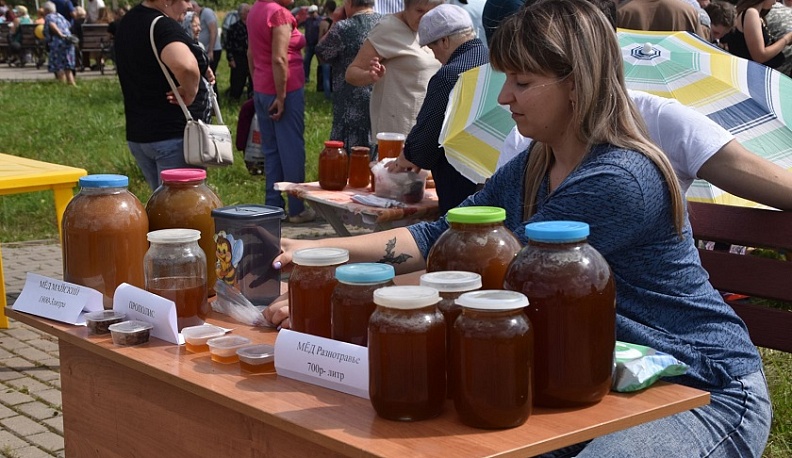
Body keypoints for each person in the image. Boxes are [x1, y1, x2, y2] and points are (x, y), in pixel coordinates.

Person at [268, 1, 773, 456]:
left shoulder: (620, 178)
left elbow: (493, 278)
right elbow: (439, 236)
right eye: (506, 78)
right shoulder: (537, 160)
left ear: (578, 82)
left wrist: (333, 294)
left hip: (701, 386)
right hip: (592, 376)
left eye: (523, 82)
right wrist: (316, 252)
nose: (505, 96)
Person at [388, 4, 488, 215]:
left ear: (444, 40)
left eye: (432, 48)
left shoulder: (449, 75)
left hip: (461, 180)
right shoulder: (494, 61)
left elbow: (427, 134)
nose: (434, 56)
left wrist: (407, 157)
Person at [114, 0, 214, 190]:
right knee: (180, 211)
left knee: (160, 207)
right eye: (185, 0)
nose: (190, 6)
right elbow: (185, 65)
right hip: (171, 134)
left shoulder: (129, 21)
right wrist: (190, 92)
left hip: (139, 133)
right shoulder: (162, 25)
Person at [247, 0, 315, 223]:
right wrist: (281, 95)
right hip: (284, 89)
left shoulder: (256, 9)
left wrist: (258, 82)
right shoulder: (279, 14)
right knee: (292, 150)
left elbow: (251, 54)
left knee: (271, 150)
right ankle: (297, 209)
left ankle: (273, 207)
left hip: (261, 87)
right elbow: (279, 58)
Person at [346, 0, 443, 147]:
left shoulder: (436, 29)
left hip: (427, 126)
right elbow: (352, 73)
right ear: (406, 6)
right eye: (419, 11)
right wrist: (370, 76)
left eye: (430, 12)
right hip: (397, 132)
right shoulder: (388, 28)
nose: (424, 17)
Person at [316, 0, 382, 151]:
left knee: (349, 158)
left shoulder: (343, 27)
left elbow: (322, 52)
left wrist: (335, 20)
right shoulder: (385, 24)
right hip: (380, 100)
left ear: (350, 2)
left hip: (349, 104)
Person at [720, 0, 792, 68]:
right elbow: (760, 56)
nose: (775, 1)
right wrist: (786, 39)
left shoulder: (756, 14)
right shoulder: (751, 13)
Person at [617, 0, 709, 40]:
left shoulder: (622, 12)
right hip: (678, 76)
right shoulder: (688, 12)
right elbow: (701, 50)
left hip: (632, 76)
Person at [42, 1, 77, 85]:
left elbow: (52, 24)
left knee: (58, 65)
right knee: (67, 66)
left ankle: (61, 84)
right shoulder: (60, 16)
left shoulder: (49, 16)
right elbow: (68, 26)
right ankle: (71, 83)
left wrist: (60, 34)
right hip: (68, 41)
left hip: (57, 43)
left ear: (47, 10)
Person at [189, 0, 221, 91]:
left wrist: (210, 50)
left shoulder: (207, 13)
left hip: (213, 49)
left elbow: (213, 31)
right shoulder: (200, 14)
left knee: (210, 75)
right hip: (205, 49)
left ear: (194, 7)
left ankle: (213, 96)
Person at [225, 3, 252, 100]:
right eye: (248, 11)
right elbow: (228, 45)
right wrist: (230, 59)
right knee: (237, 80)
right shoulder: (234, 28)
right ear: (243, 14)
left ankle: (251, 99)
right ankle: (234, 99)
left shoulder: (253, 26)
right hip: (238, 58)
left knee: (252, 80)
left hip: (251, 57)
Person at [316, 0, 335, 98]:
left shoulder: (324, 22)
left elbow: (320, 39)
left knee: (326, 74)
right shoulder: (340, 21)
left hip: (326, 52)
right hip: (336, 51)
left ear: (327, 8)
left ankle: (327, 96)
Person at [300, 4, 321, 84]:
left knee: (320, 64)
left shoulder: (320, 20)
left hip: (317, 45)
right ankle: (306, 78)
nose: (311, 14)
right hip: (309, 45)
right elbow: (306, 32)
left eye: (312, 13)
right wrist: (305, 44)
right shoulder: (308, 20)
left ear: (316, 12)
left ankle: (320, 81)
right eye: (310, 13)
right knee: (306, 62)